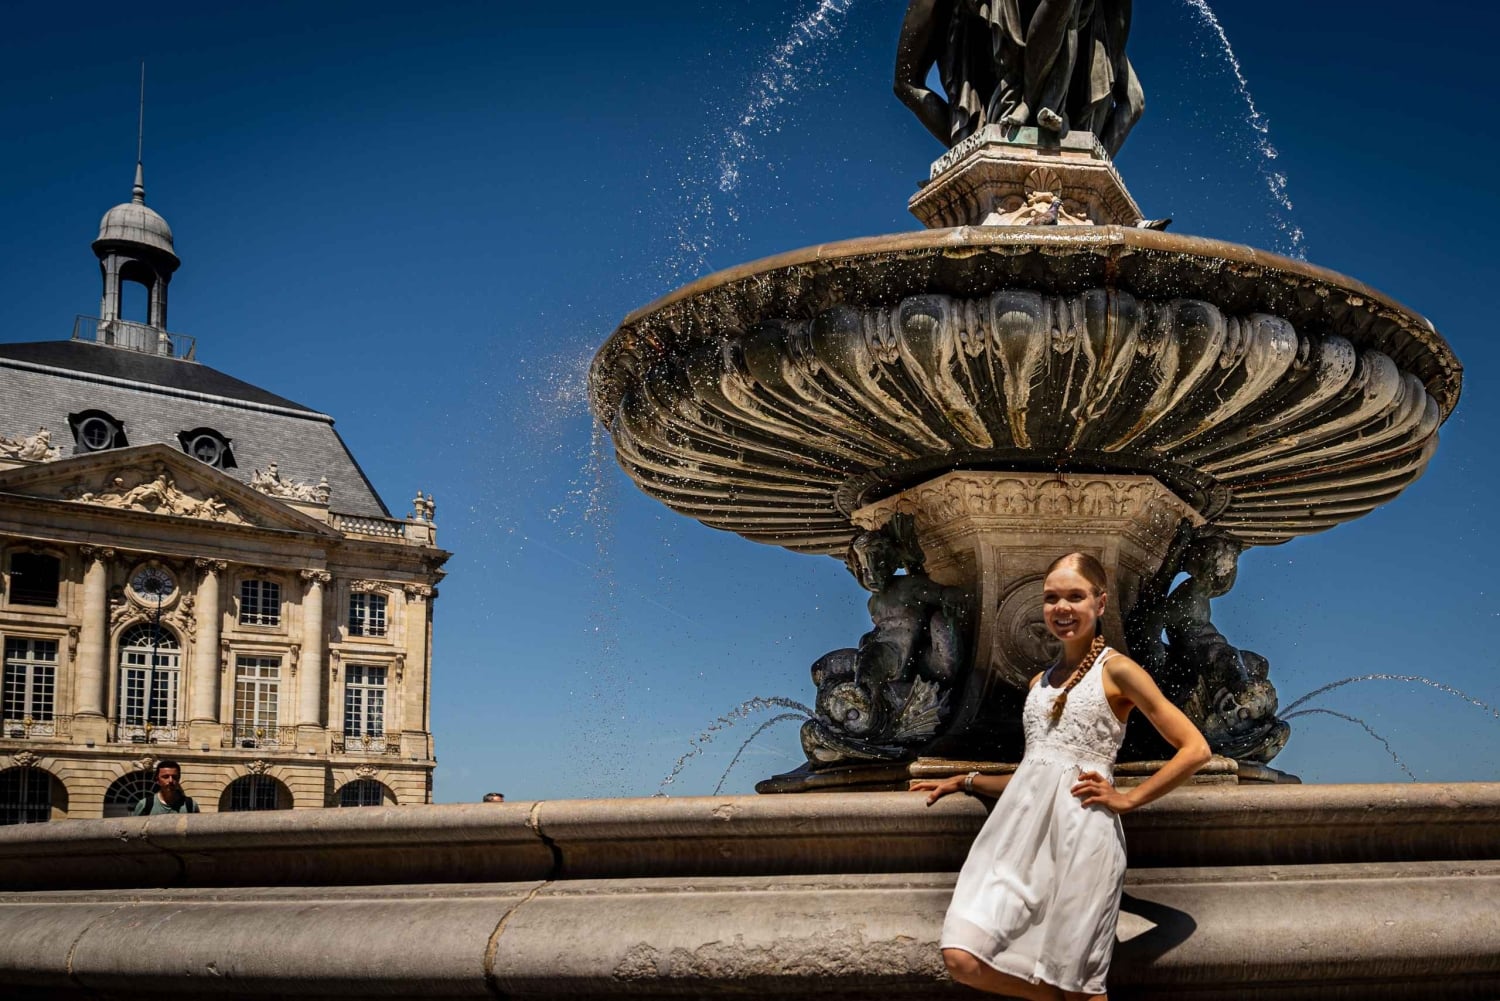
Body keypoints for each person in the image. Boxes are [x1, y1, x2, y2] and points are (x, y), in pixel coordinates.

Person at [911, 552, 1210, 999]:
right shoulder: (1039, 682)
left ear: (1101, 603)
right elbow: (1037, 772)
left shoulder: (1119, 670)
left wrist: (1128, 799)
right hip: (1017, 841)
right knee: (963, 956)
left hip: (1081, 838)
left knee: (1078, 985)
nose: (1062, 608)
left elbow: (1196, 749)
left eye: (1075, 596)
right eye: (1052, 598)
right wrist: (966, 780)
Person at [131, 759, 200, 816]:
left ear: (179, 779)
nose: (170, 780)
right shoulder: (145, 805)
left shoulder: (190, 805)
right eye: (165, 777)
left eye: (174, 777)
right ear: (157, 780)